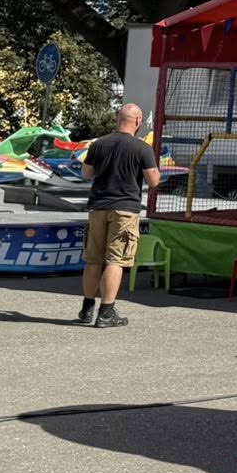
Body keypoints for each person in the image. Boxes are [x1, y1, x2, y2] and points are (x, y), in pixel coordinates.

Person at [77, 103, 160, 328]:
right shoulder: (142, 148)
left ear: (118, 119)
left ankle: (86, 308)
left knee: (93, 259)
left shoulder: (99, 144)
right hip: (125, 210)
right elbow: (153, 180)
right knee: (116, 260)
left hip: (97, 207)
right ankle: (106, 313)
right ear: (138, 121)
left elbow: (86, 173)